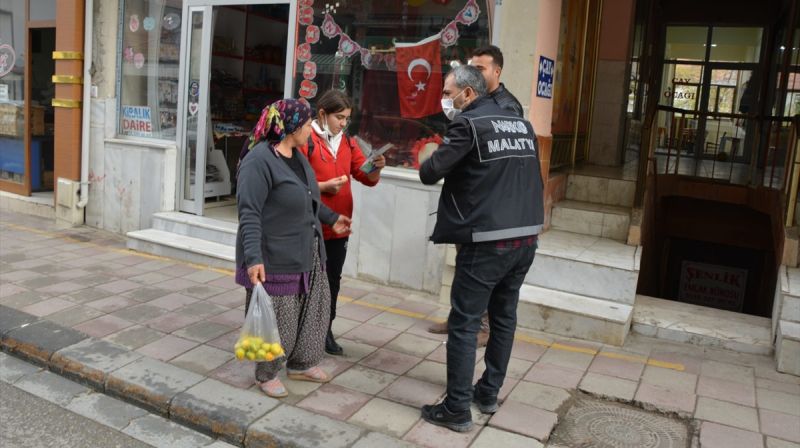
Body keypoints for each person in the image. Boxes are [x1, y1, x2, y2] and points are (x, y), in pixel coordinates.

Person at [419, 65, 544, 432]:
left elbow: (431, 171)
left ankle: (457, 408)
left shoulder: (469, 124)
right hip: (526, 237)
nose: (445, 98)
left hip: (487, 240)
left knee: (464, 322)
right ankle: (487, 393)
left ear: (469, 94)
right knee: (504, 317)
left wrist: (431, 153)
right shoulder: (521, 124)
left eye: (448, 91)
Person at [235, 98, 352, 398]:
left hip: (308, 250)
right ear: (291, 127)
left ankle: (301, 363)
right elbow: (249, 213)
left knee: (314, 311)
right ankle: (267, 372)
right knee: (280, 319)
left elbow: (308, 197)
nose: (310, 129)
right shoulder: (258, 161)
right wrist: (253, 259)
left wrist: (331, 218)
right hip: (274, 254)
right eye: (306, 124)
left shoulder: (297, 155)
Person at [427, 44, 525, 346]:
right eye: (472, 66)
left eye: (481, 68)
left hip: (490, 211)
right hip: (466, 205)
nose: (475, 71)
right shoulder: (468, 106)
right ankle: (461, 315)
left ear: (497, 71)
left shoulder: (507, 107)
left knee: (487, 279)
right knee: (464, 265)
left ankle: (478, 323)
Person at [299, 90, 385, 356]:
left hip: (339, 227)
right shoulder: (305, 138)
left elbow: (364, 175)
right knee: (306, 280)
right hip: (310, 224)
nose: (343, 123)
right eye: (339, 117)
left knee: (332, 280)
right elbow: (293, 182)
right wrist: (323, 186)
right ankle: (301, 331)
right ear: (322, 114)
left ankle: (325, 329)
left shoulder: (347, 142)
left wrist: (377, 165)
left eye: (347, 118)